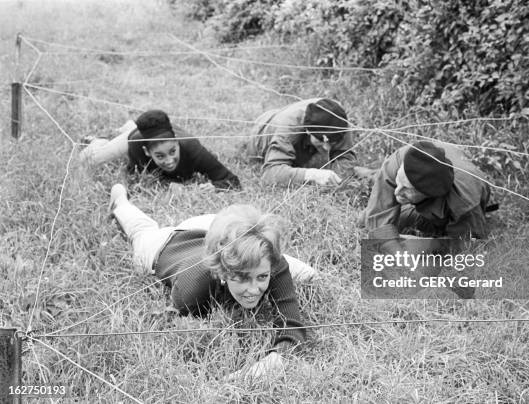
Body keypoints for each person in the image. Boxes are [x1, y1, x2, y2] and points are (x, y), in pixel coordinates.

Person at [109, 184, 317, 378]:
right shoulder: (192, 293)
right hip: (163, 245)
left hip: (206, 227)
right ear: (223, 273)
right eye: (242, 278)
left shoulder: (270, 261)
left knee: (309, 275)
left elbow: (292, 325)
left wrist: (275, 360)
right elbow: (165, 320)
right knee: (140, 229)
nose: (254, 290)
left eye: (262, 277)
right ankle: (120, 199)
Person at [364, 140, 492, 253]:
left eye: (407, 189)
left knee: (446, 237)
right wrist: (399, 254)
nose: (397, 192)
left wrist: (432, 245)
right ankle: (368, 174)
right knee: (367, 220)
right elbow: (379, 225)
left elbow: (467, 245)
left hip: (460, 199)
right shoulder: (399, 160)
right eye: (399, 181)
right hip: (423, 187)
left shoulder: (464, 202)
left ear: (429, 195)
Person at [80, 110, 241, 190]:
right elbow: (134, 179)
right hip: (134, 136)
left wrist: (215, 187)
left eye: (172, 151)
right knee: (88, 159)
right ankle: (97, 141)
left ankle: (129, 125)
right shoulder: (137, 145)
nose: (169, 160)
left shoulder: (192, 148)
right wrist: (167, 184)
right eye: (160, 156)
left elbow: (232, 180)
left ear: (177, 143)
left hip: (156, 132)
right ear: (147, 152)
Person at [247, 98, 357, 186]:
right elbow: (270, 174)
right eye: (321, 141)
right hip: (261, 131)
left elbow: (346, 159)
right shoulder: (289, 127)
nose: (327, 148)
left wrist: (336, 178)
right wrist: (312, 175)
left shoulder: (338, 119)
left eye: (331, 142)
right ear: (308, 131)